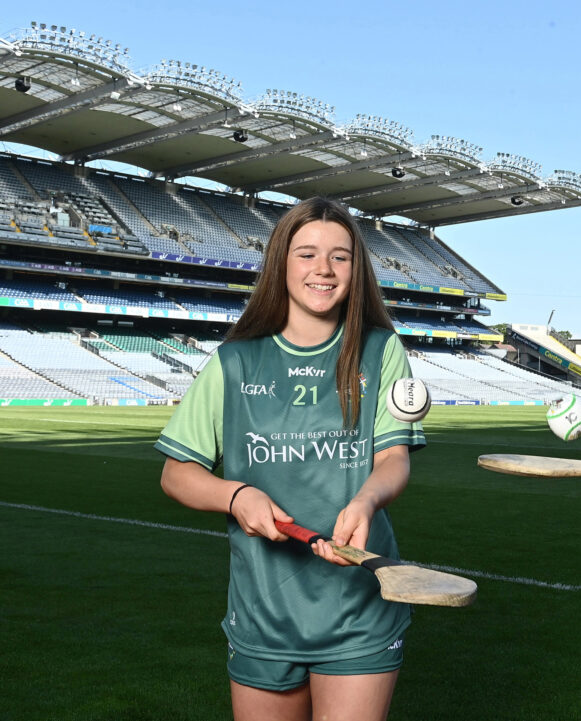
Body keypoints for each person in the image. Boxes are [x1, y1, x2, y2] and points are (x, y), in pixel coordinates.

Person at [155, 196, 426, 721]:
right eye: (306, 254)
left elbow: (394, 458)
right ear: (282, 263)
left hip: (358, 607)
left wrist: (366, 501)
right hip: (263, 611)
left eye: (339, 256)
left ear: (356, 268)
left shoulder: (382, 350)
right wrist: (236, 496)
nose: (323, 269)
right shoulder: (234, 361)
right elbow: (176, 473)